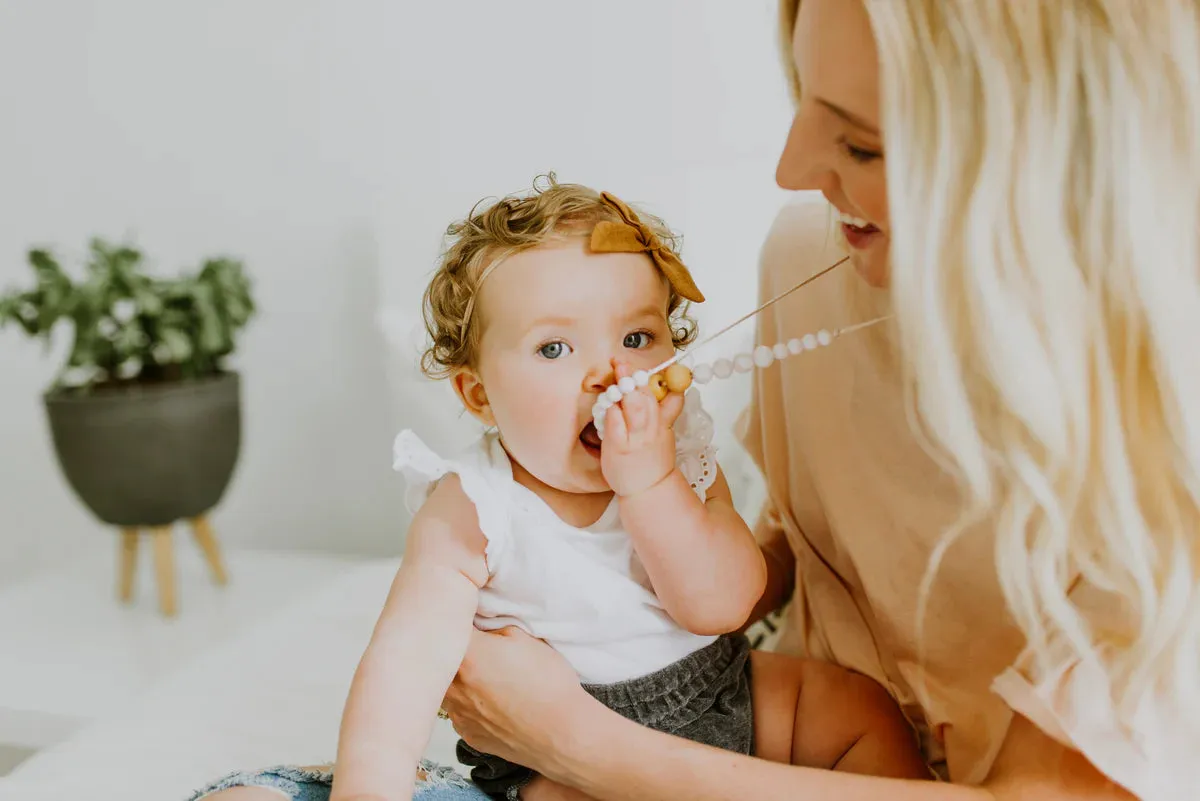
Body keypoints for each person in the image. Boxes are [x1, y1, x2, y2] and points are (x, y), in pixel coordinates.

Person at [193, 0, 1199, 799]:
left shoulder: (1167, 424)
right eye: (552, 348)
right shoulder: (812, 257)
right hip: (603, 761)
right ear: (475, 393)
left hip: (727, 728)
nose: (793, 171)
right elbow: (405, 667)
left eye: (862, 147)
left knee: (842, 704)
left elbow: (716, 601)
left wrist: (655, 499)